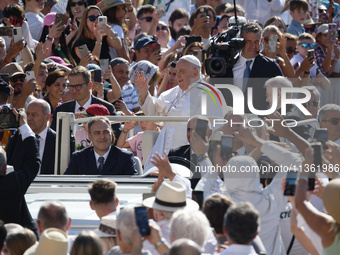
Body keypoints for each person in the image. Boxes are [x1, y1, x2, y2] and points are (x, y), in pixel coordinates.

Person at [134, 55, 227, 171]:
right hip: (163, 147)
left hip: (190, 151)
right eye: (176, 71)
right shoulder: (171, 93)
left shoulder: (209, 94)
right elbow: (155, 115)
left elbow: (213, 126)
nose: (177, 76)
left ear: (195, 73)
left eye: (181, 71)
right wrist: (144, 93)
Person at [224, 22, 283, 112]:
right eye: (249, 41)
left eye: (256, 42)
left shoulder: (271, 67)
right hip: (231, 121)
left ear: (261, 41)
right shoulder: (228, 65)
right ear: (240, 41)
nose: (253, 46)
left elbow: (282, 97)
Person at [50, 66, 121, 139]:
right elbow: (53, 139)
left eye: (78, 86)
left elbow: (115, 139)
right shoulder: (61, 110)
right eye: (71, 86)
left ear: (90, 85)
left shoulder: (107, 108)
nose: (74, 90)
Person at [0, 108, 40, 234]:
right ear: (5, 168)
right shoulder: (13, 184)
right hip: (16, 243)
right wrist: (24, 124)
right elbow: (33, 162)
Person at [64, 116, 137, 175]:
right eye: (97, 133)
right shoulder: (79, 158)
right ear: (89, 136)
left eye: (106, 132)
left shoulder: (125, 158)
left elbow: (133, 186)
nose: (102, 136)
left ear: (111, 134)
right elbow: (66, 184)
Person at [6, 99, 56, 175]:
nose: (29, 118)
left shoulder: (58, 140)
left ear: (47, 117)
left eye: (34, 115)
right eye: (27, 114)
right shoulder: (16, 140)